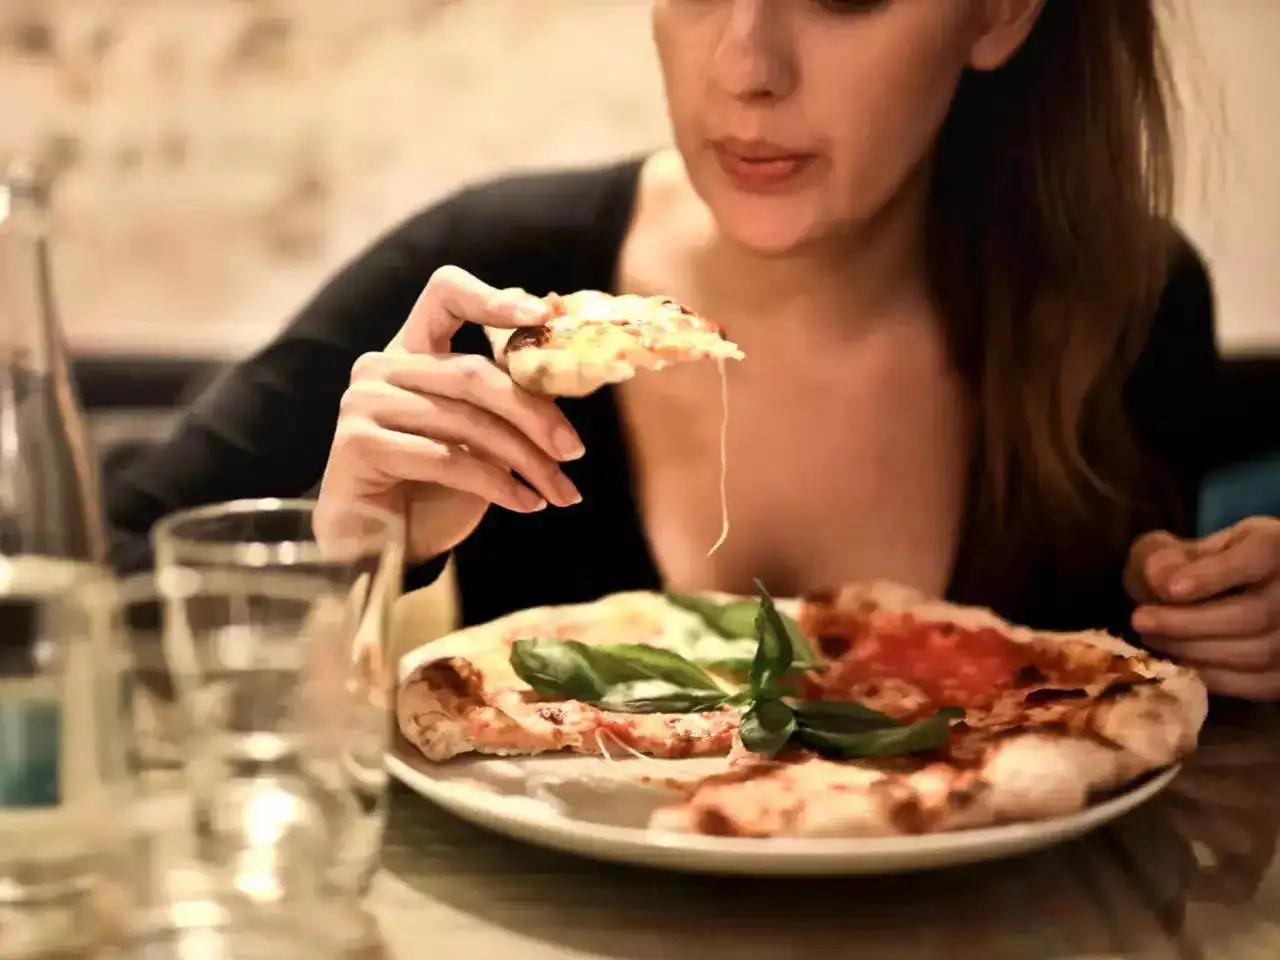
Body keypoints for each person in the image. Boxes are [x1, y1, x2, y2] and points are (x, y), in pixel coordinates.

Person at [106, 0, 1280, 701]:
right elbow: (71, 596)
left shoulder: (1125, 302)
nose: (744, 69)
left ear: (998, 12)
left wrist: (1232, 624)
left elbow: (1142, 728)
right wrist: (342, 561)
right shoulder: (491, 277)